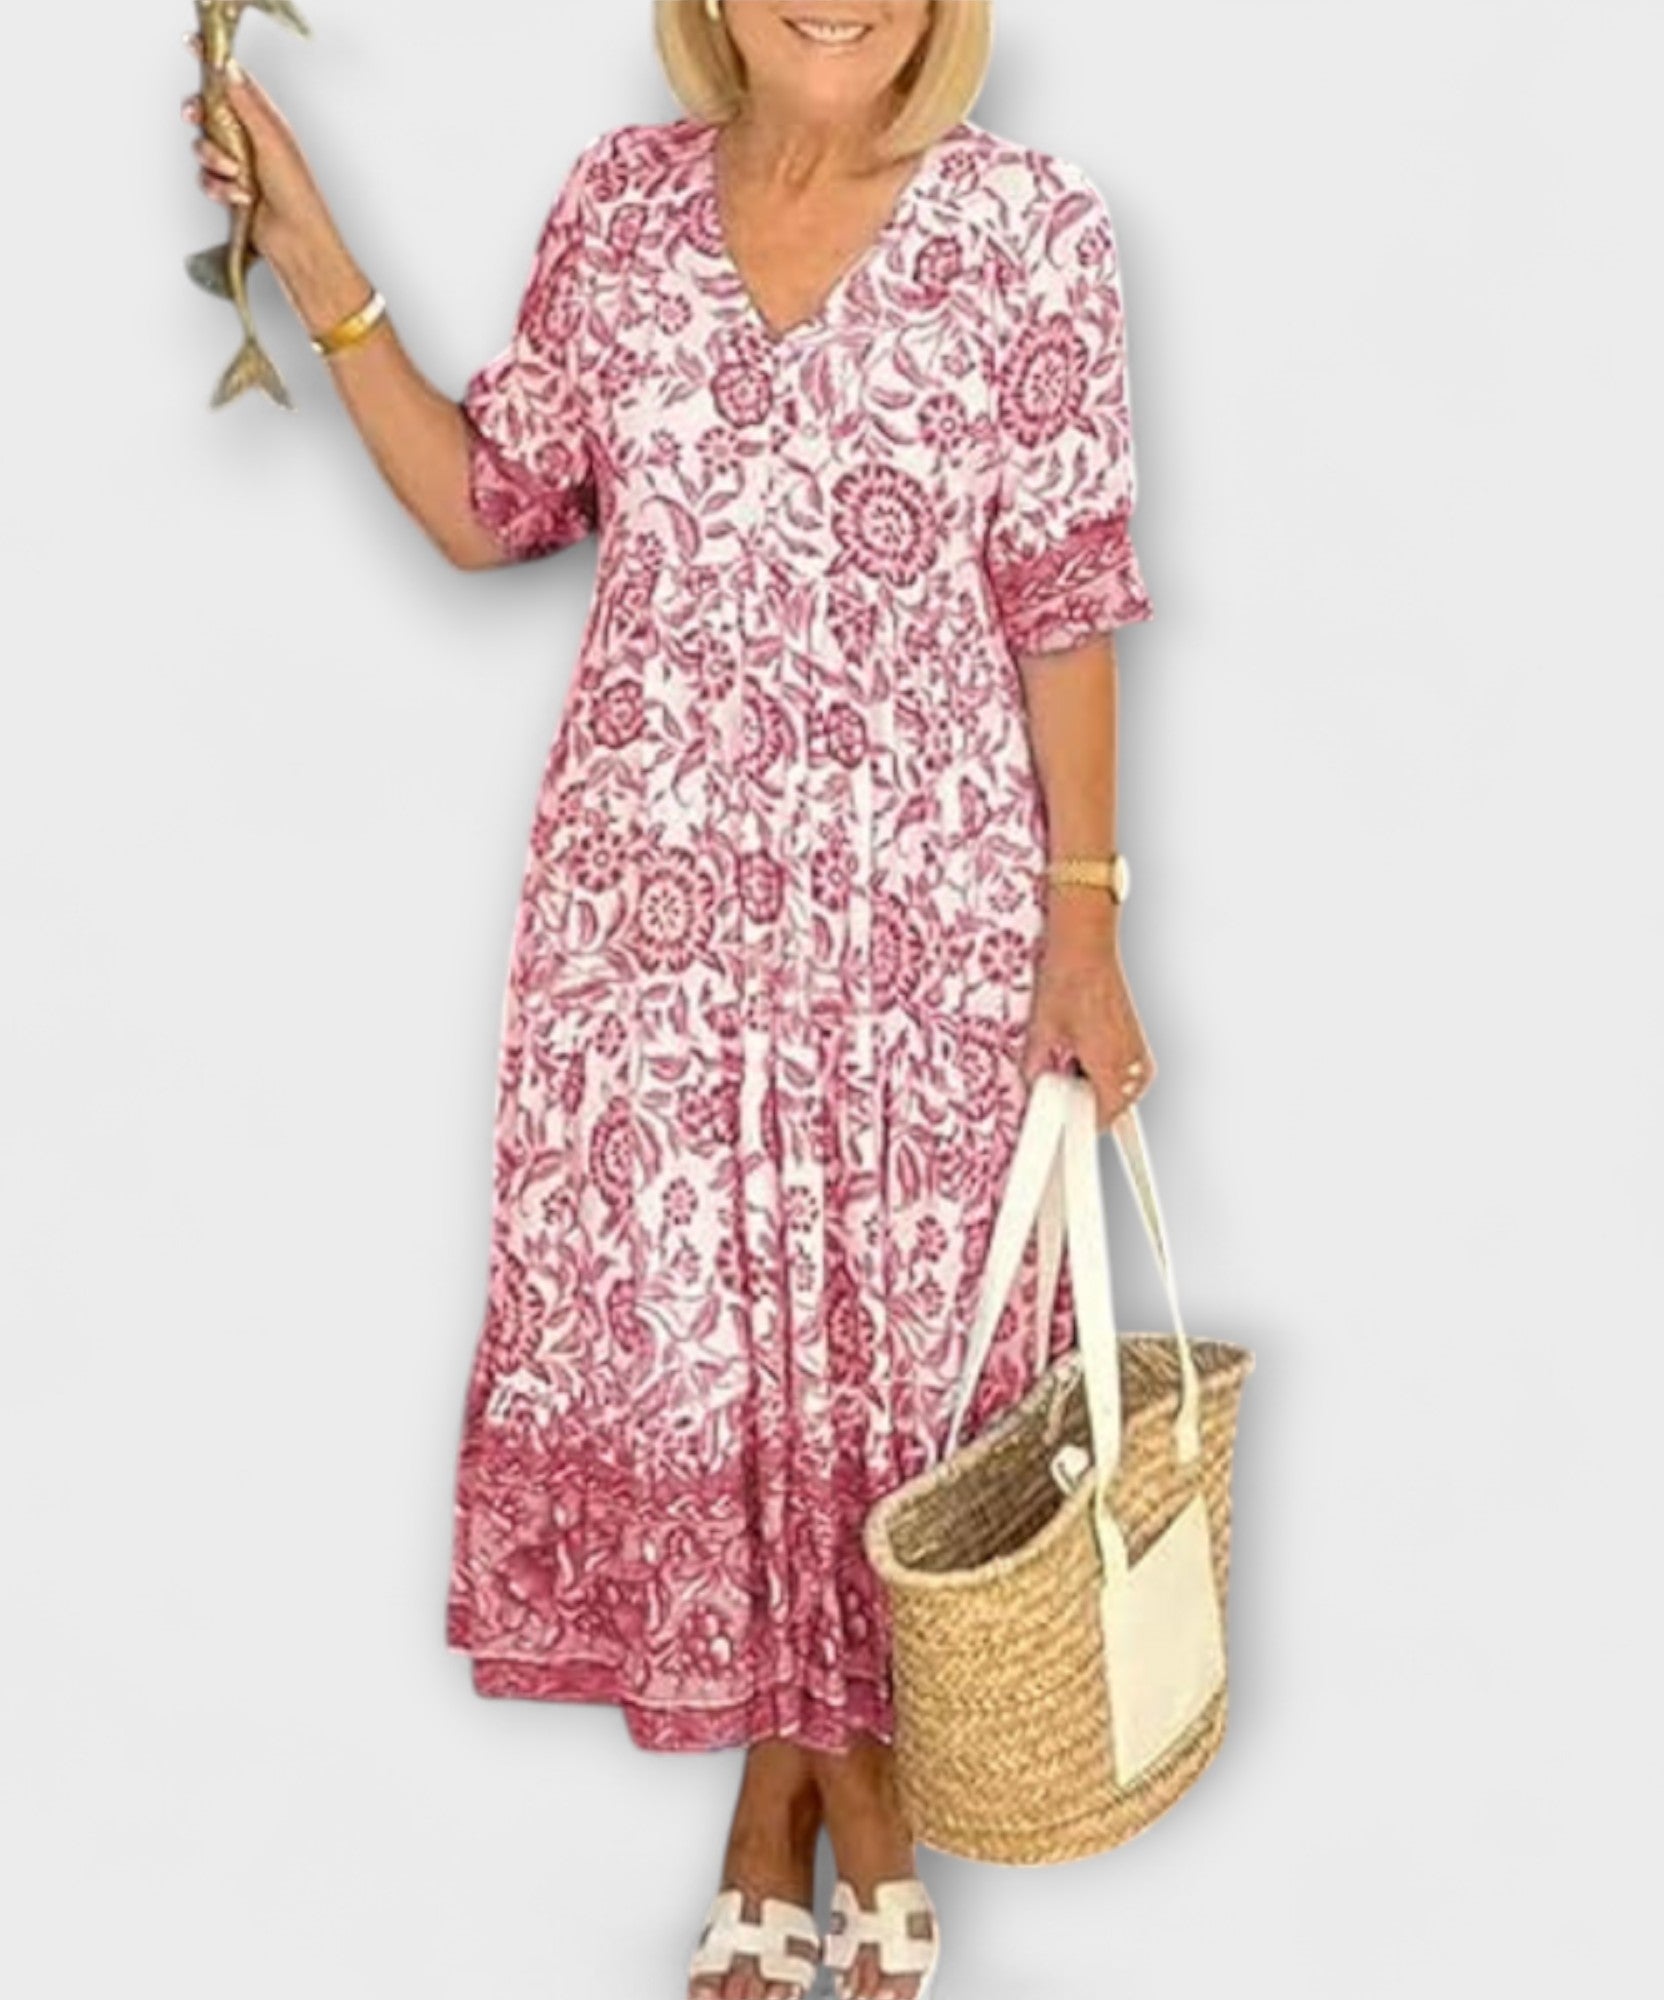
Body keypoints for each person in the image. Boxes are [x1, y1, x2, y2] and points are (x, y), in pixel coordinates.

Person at [182, 3, 1159, 1993]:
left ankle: (807, 1811)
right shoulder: (620, 213)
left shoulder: (1031, 230)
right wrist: (309, 247)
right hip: (655, 941)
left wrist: (1086, 929)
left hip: (917, 937)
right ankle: (825, 1807)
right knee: (719, 1369)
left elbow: (1064, 596)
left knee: (890, 1371)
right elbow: (492, 508)